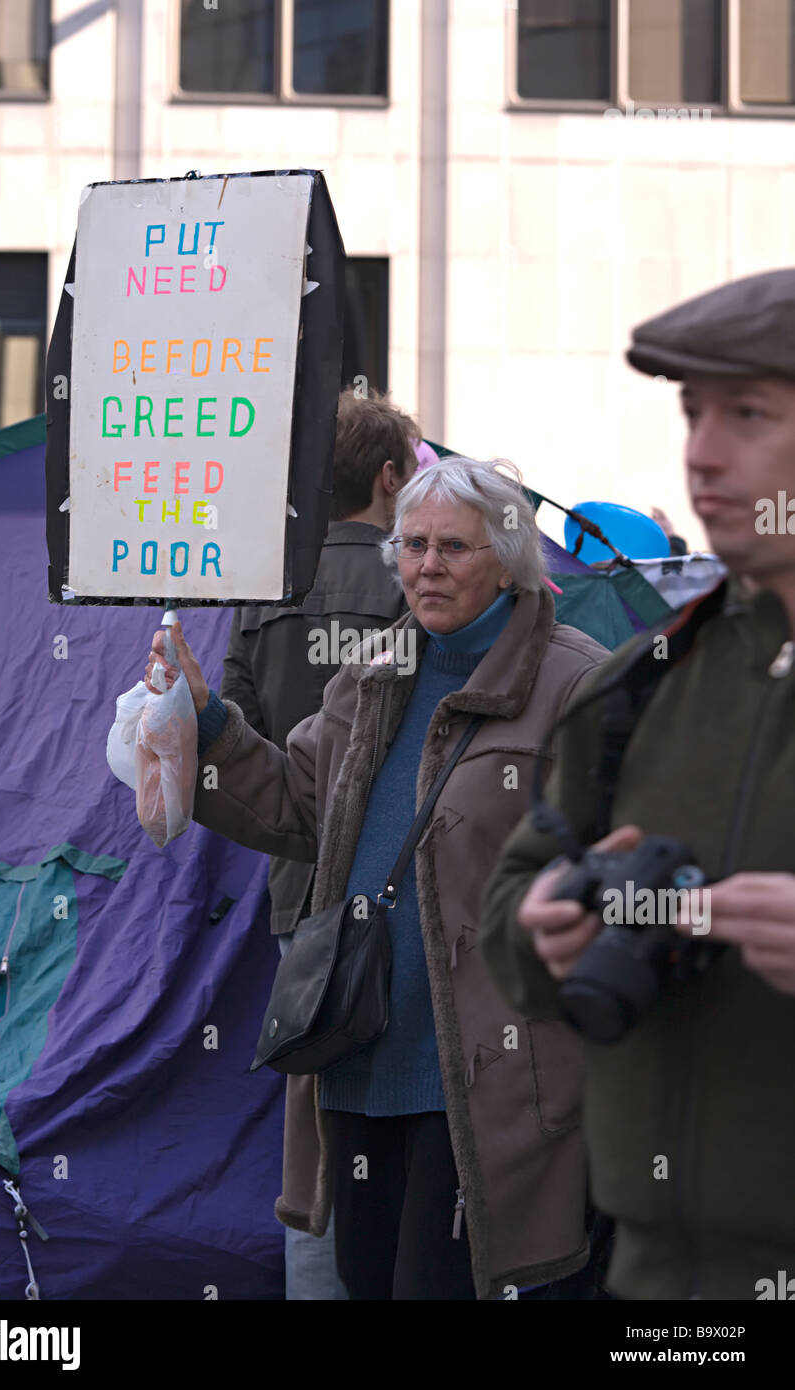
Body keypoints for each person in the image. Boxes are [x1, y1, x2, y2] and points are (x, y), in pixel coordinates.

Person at [144, 456, 610, 1300]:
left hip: (484, 1081)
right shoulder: (373, 673)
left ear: (508, 560)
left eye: (454, 549)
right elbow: (295, 808)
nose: (426, 566)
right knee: (369, 1280)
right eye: (414, 545)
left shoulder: (575, 683)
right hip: (360, 1062)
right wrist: (207, 721)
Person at [480, 265, 795, 1301]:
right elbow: (509, 913)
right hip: (655, 1281)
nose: (701, 452)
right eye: (692, 412)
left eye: (746, 414)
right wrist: (543, 923)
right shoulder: (638, 687)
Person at [219, 386, 418, 1299]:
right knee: (415, 1119)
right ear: (388, 477)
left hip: (299, 896)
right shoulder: (425, 583)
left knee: (315, 1135)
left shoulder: (265, 585)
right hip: (403, 897)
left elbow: (234, 742)